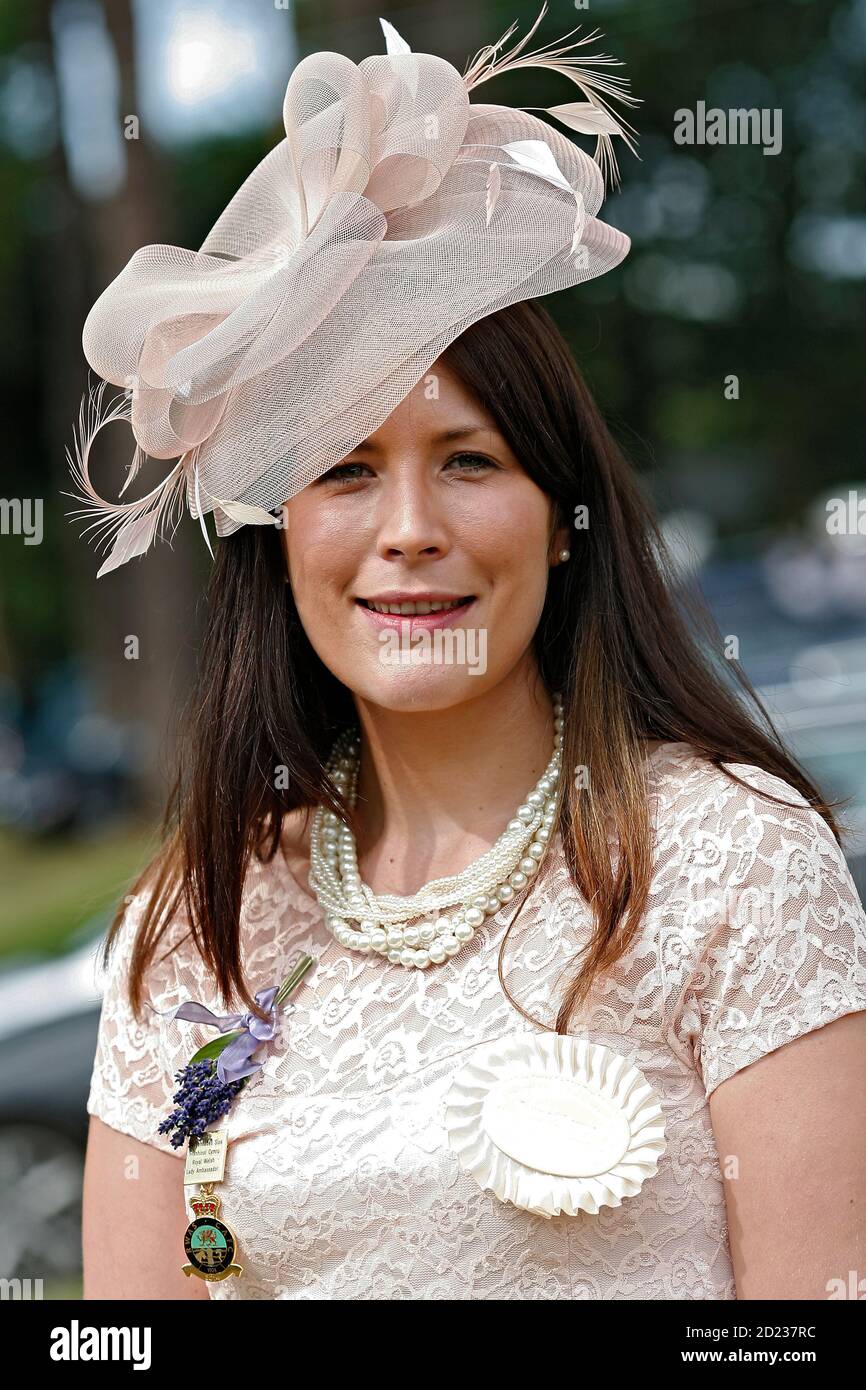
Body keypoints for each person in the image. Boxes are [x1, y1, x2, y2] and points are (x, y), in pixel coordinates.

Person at [75, 13, 866, 1300]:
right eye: (344, 471)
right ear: (277, 546)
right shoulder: (194, 926)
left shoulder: (733, 860)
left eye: (467, 461)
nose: (407, 532)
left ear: (561, 522)